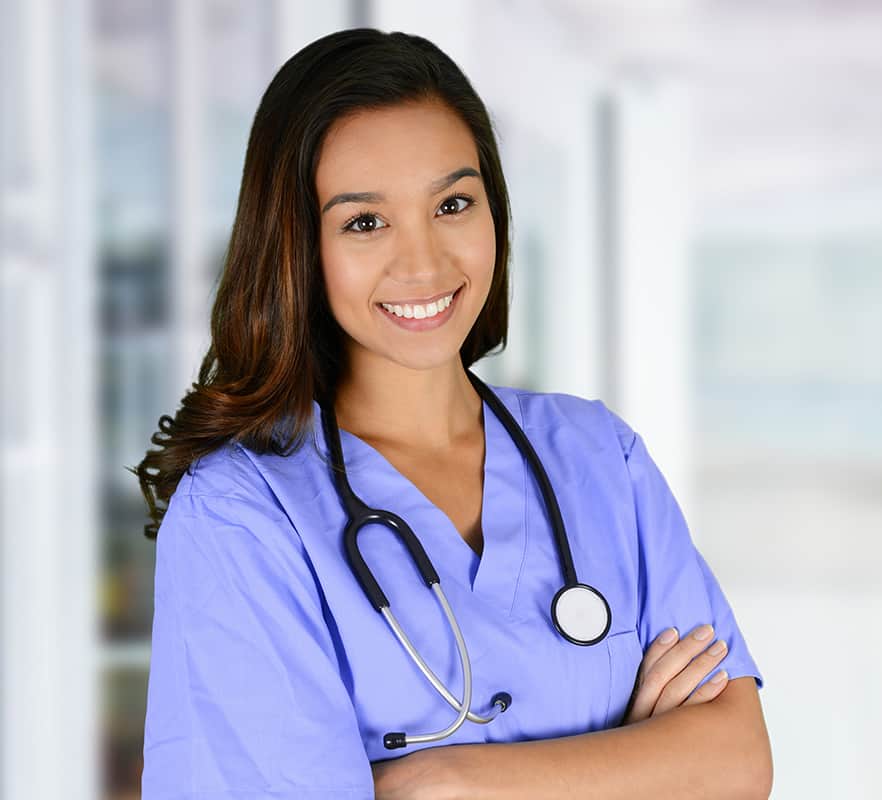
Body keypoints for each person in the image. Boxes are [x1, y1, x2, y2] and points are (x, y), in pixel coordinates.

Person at [131, 28, 770, 799]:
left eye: (453, 204)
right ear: (298, 247)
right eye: (365, 221)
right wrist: (635, 763)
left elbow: (737, 762)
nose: (424, 261)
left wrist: (444, 779)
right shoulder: (243, 514)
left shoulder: (601, 457)